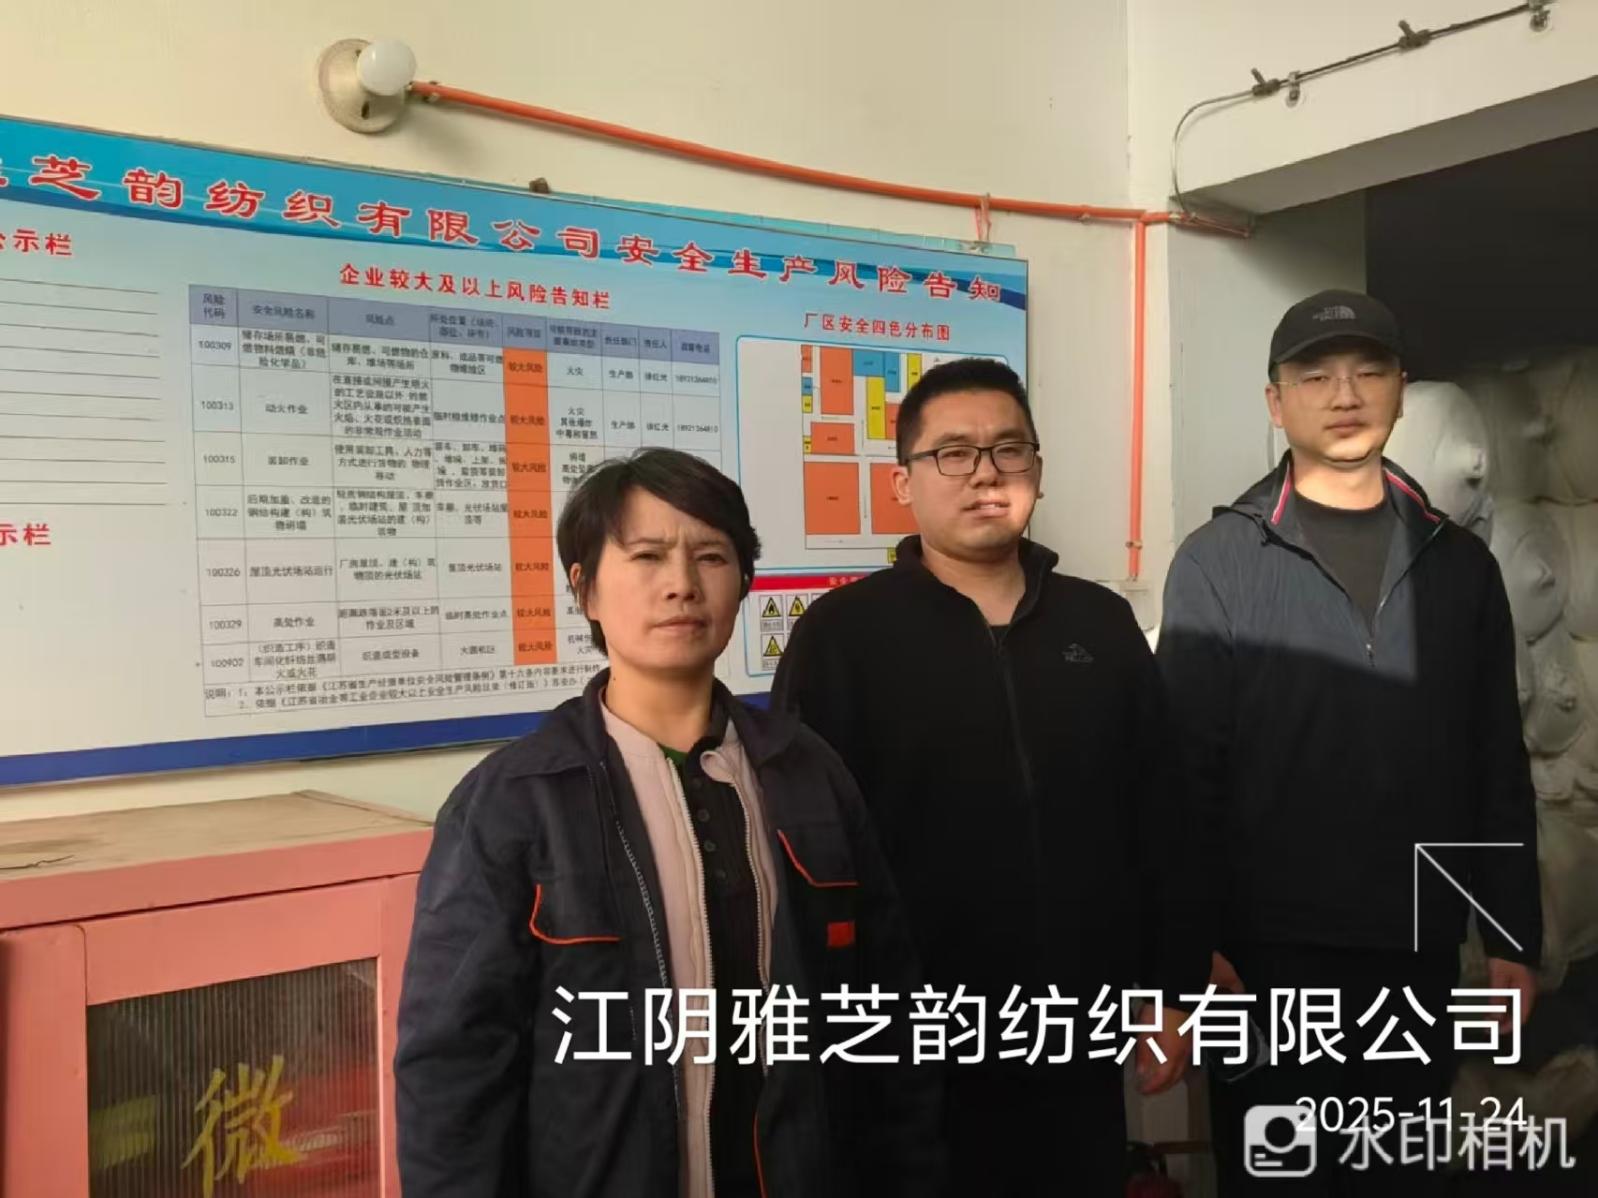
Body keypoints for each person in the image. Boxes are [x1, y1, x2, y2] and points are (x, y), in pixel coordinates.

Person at [395, 447, 941, 1198]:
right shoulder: (516, 800)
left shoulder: (806, 771)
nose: (682, 583)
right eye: (647, 556)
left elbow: (887, 1013)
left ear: (743, 582)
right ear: (585, 589)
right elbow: (453, 1068)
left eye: (710, 556)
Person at [773, 357, 1208, 1196]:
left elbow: (1162, 816)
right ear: (904, 481)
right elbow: (804, 851)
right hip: (907, 1042)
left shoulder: (1100, 623)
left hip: (1076, 1031)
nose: (985, 472)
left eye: (1009, 449)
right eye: (953, 452)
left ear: (1036, 468)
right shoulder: (842, 637)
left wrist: (1172, 992)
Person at [1157, 290, 1543, 1194]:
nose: (1344, 394)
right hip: (1265, 960)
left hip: (1416, 950)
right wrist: (1186, 950)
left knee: (1399, 1170)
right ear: (1275, 400)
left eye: (1369, 371)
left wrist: (1510, 934)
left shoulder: (1459, 565)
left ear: (1401, 390)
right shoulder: (1220, 561)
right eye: (1315, 375)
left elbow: (1493, 755)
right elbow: (1181, 777)